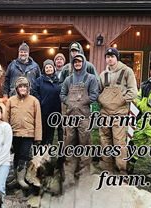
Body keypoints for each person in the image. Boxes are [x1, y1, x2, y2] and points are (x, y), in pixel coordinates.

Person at [60, 54, 98, 189]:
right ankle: (69, 175)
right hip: (70, 117)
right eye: (75, 62)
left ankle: (84, 176)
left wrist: (82, 101)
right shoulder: (68, 80)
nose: (77, 64)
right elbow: (62, 94)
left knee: (85, 145)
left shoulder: (90, 78)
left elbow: (94, 94)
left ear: (84, 63)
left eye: (79, 61)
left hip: (84, 117)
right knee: (69, 145)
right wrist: (68, 101)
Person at [98, 47, 138, 175]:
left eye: (112, 56)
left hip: (120, 112)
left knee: (119, 142)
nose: (110, 59)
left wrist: (119, 101)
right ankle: (107, 168)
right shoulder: (102, 74)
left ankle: (122, 170)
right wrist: (103, 100)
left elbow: (133, 92)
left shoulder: (127, 71)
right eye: (107, 57)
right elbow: (98, 92)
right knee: (104, 140)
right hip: (104, 112)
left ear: (117, 58)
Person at [6, 77, 42, 188]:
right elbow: (6, 118)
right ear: (16, 88)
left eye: (25, 87)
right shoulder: (11, 100)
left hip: (28, 133)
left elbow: (38, 119)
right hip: (14, 133)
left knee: (24, 154)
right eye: (20, 87)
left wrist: (38, 137)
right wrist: (6, 135)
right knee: (16, 155)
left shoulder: (34, 101)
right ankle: (16, 179)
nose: (22, 88)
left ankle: (21, 179)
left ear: (28, 88)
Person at [31, 59, 61, 145]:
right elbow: (34, 92)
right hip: (43, 110)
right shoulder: (39, 80)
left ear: (54, 68)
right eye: (46, 67)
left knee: (51, 132)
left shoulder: (58, 81)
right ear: (44, 69)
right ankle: (39, 150)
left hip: (55, 110)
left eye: (50, 67)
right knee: (43, 131)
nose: (48, 69)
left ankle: (48, 150)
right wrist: (40, 102)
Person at [53, 53, 65, 143]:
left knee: (62, 124)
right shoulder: (51, 72)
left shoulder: (67, 71)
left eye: (61, 59)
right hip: (53, 100)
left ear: (64, 61)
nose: (59, 60)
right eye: (57, 59)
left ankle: (62, 143)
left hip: (63, 101)